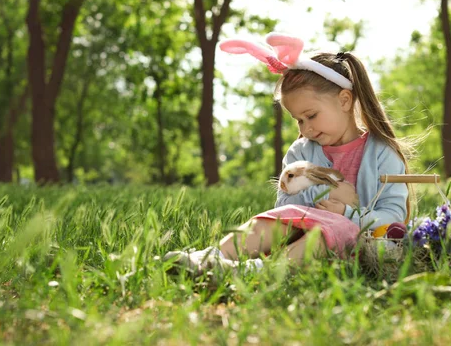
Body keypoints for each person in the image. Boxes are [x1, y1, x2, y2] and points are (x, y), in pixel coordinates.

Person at [164, 33, 411, 275]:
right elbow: (285, 206)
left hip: (358, 243)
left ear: (345, 100)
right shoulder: (301, 151)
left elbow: (392, 217)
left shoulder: (381, 151)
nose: (306, 128)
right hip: (300, 235)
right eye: (299, 120)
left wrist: (346, 213)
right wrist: (319, 199)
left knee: (329, 230)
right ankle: (212, 258)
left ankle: (255, 271)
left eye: (311, 115)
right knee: (274, 219)